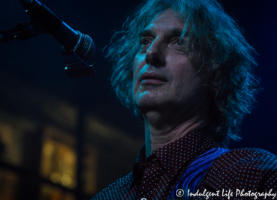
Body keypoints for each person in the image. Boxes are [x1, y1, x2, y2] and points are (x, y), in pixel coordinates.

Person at [92, 0, 277, 199]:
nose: (151, 53)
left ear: (216, 73)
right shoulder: (108, 196)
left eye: (179, 41)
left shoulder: (256, 177)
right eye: (145, 41)